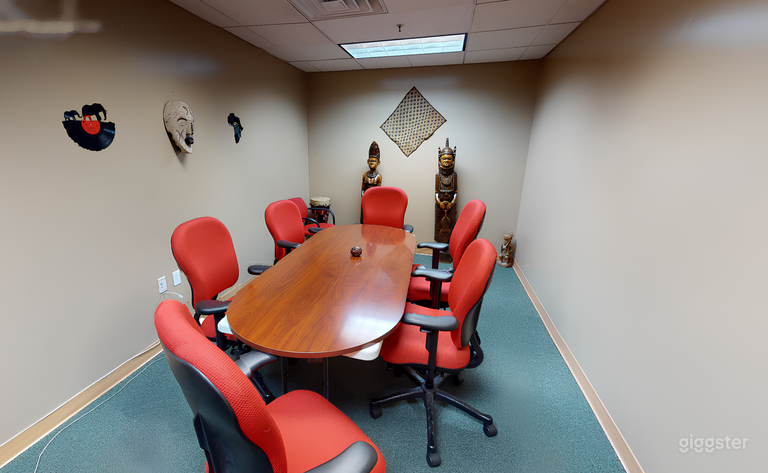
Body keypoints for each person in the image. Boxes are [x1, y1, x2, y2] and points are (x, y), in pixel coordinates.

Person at [434, 139, 457, 243]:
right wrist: (439, 202)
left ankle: (449, 247)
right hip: (440, 206)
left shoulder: (454, 176)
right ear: (440, 160)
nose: (446, 161)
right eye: (444, 158)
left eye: (449, 158)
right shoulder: (438, 176)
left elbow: (456, 192)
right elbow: (436, 192)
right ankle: (439, 248)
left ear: (453, 160)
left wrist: (452, 203)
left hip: (451, 207)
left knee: (451, 228)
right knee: (439, 227)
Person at [361, 141, 382, 223]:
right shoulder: (364, 175)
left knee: (373, 219)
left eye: (374, 161)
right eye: (370, 161)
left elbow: (378, 191)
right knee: (364, 218)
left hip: (374, 200)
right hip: (365, 199)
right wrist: (364, 197)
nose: (371, 163)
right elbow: (362, 189)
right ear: (367, 161)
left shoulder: (379, 176)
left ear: (378, 162)